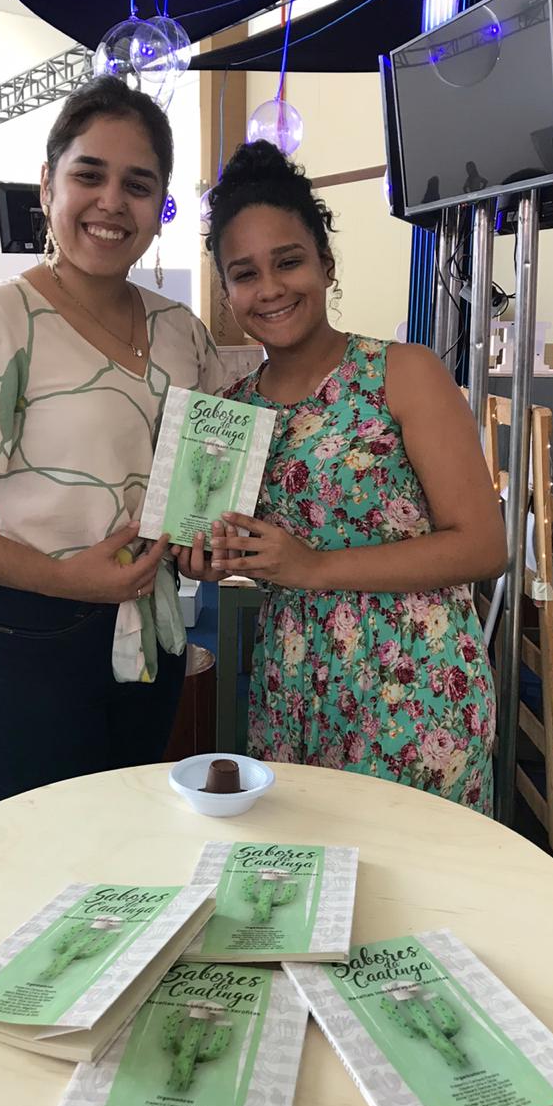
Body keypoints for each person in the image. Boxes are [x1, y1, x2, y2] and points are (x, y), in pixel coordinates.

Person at [0, 77, 222, 807]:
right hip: (23, 635)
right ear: (47, 185)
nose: (111, 202)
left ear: (160, 204)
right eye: (88, 175)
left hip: (150, 631)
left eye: (137, 184)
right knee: (34, 859)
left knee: (125, 846)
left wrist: (202, 540)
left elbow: (199, 481)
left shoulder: (182, 332)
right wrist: (67, 580)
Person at [180, 141, 505, 814]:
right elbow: (223, 543)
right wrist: (207, 558)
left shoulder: (403, 373)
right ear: (227, 292)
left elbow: (482, 546)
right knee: (304, 864)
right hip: (292, 683)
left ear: (325, 263)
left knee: (417, 871)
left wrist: (314, 567)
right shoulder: (230, 411)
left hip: (416, 686)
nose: (271, 288)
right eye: (245, 274)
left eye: (289, 261)